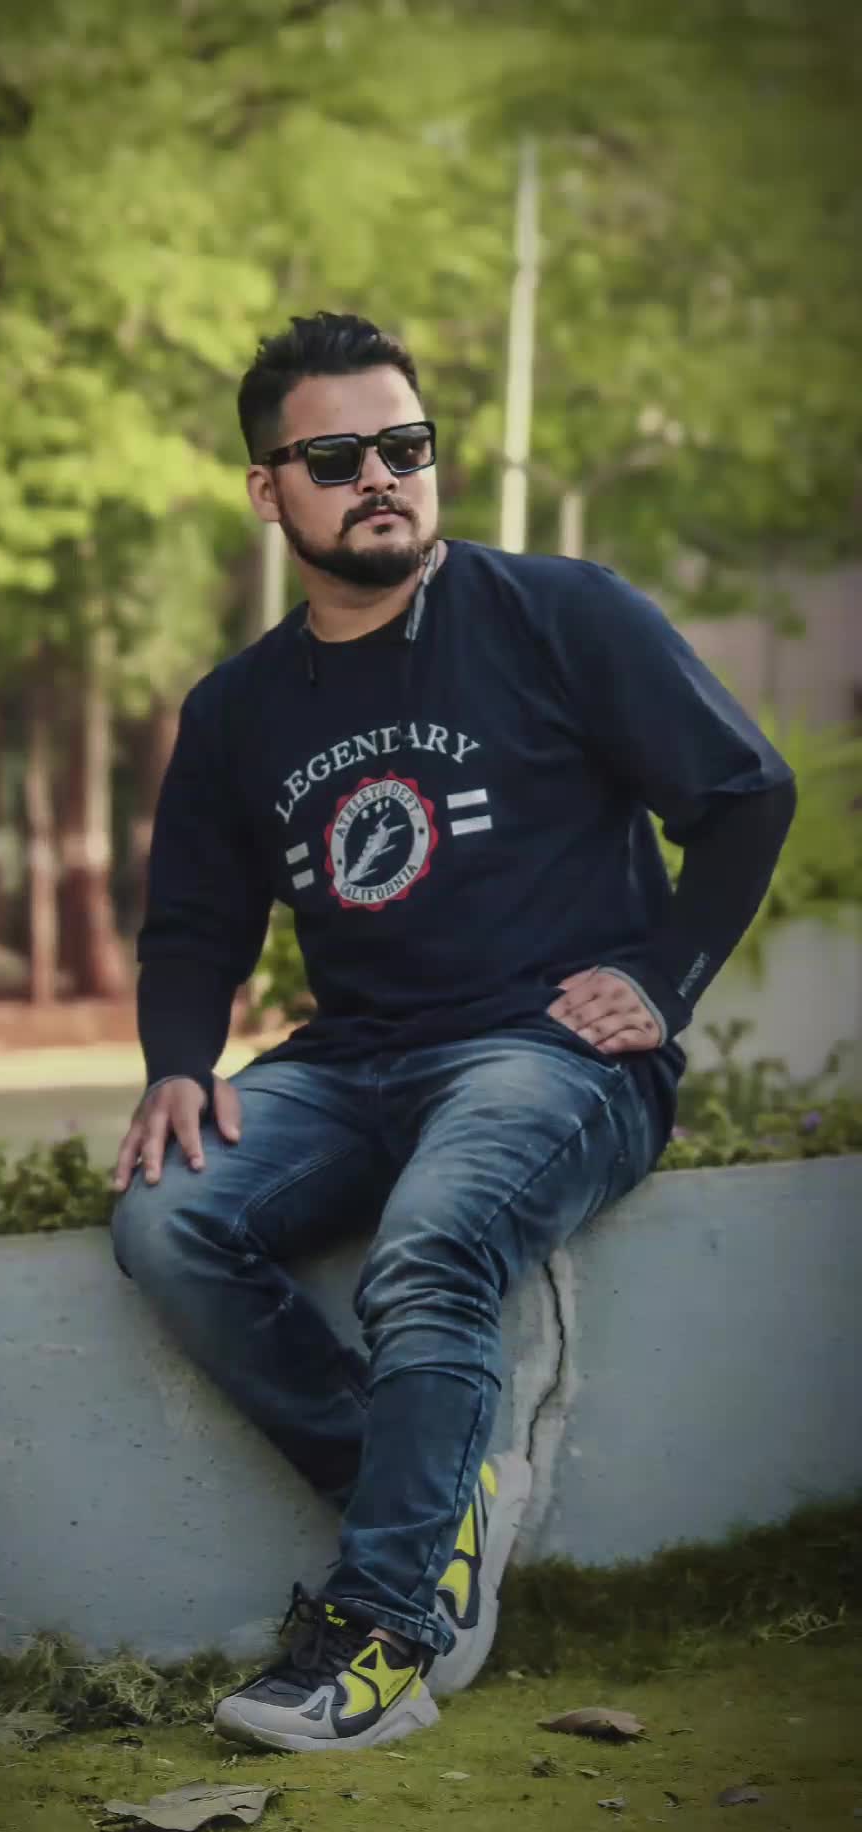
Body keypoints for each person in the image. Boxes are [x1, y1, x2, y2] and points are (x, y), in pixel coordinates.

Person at [111, 311, 796, 1755]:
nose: (381, 475)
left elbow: (745, 795)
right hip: (353, 1057)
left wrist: (664, 979)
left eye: (405, 444)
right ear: (268, 489)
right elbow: (193, 923)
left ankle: (383, 1634)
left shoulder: (562, 612)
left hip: (548, 1057)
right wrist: (177, 1062)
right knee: (167, 1217)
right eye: (337, 456)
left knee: (432, 1241)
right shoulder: (237, 710)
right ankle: (435, 1499)